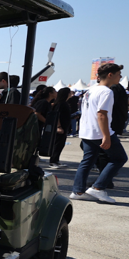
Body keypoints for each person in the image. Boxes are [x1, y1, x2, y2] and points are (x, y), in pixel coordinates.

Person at [71, 63, 127, 203]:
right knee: (119, 158)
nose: (120, 77)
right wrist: (106, 136)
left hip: (87, 131)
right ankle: (98, 188)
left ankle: (78, 191)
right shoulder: (106, 92)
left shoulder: (91, 90)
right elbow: (102, 114)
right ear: (110, 75)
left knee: (87, 161)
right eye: (118, 74)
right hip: (98, 132)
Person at [47, 88, 72, 169]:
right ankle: (52, 161)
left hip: (65, 126)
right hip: (60, 127)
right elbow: (56, 116)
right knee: (57, 145)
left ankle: (56, 160)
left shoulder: (64, 103)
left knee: (60, 144)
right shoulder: (60, 104)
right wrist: (58, 126)